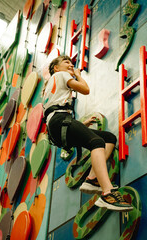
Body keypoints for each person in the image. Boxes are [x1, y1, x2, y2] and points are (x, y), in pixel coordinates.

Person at [43, 55, 133, 212]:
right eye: (66, 62)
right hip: (60, 120)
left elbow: (52, 111)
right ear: (56, 68)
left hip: (57, 125)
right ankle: (108, 193)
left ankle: (92, 179)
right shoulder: (61, 75)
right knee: (97, 142)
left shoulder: (51, 87)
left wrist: (78, 125)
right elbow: (85, 89)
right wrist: (77, 75)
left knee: (108, 139)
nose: (71, 65)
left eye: (71, 63)